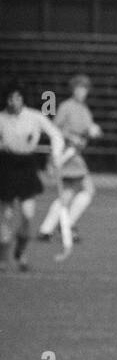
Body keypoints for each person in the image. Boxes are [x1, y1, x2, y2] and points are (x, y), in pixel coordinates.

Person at [0, 81, 65, 272]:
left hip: (27, 167)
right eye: (10, 98)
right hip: (6, 167)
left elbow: (55, 134)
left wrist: (55, 155)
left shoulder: (34, 117)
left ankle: (20, 251)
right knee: (6, 216)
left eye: (18, 97)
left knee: (28, 215)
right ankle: (3, 257)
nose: (14, 101)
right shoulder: (1, 119)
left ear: (23, 99)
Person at [37, 73, 102, 258]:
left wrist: (94, 131)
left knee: (70, 193)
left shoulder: (84, 109)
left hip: (75, 157)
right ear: (73, 89)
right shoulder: (66, 106)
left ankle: (48, 229)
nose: (82, 92)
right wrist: (70, 137)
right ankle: (61, 226)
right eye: (79, 88)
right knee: (83, 190)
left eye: (85, 89)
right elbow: (55, 129)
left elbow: (87, 130)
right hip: (66, 156)